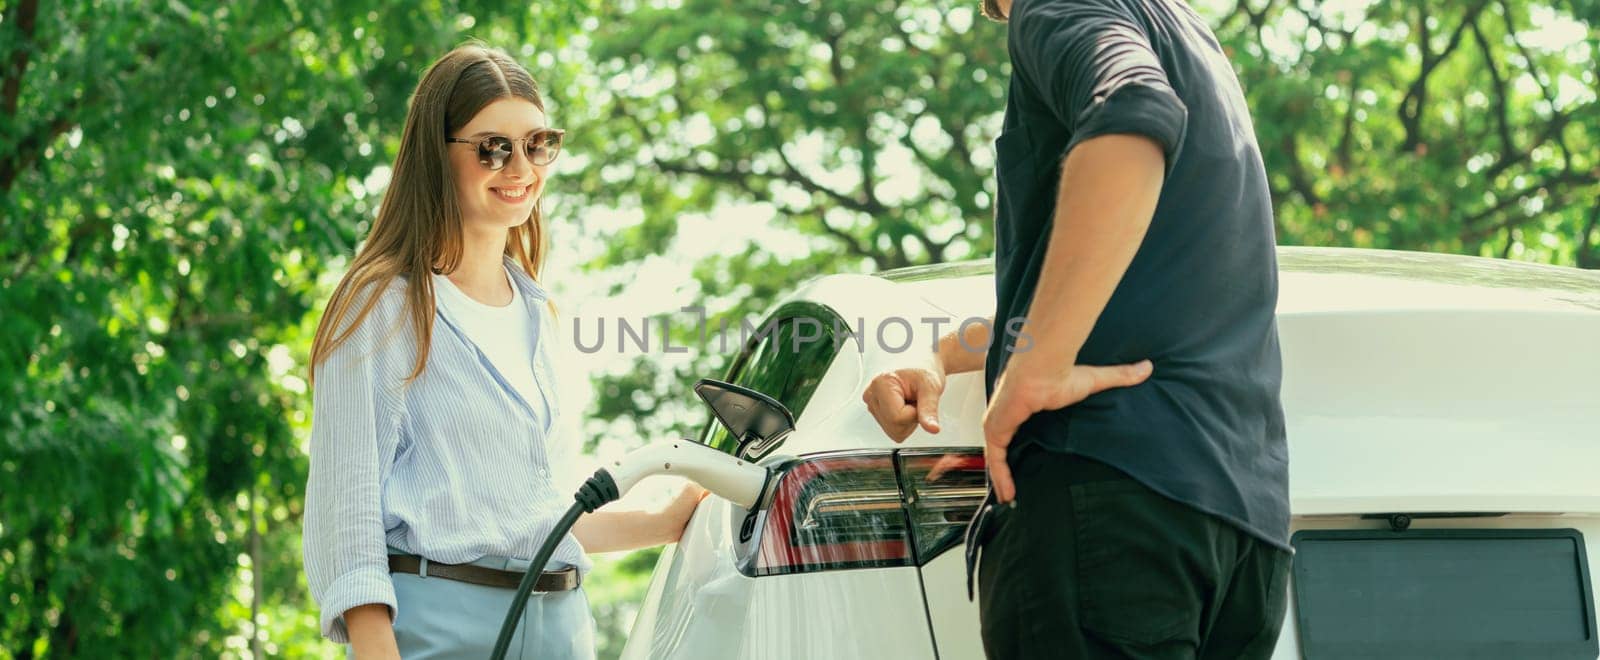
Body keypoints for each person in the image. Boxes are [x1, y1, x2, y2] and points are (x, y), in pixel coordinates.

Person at [862, 0, 1292, 657]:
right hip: (1241, 539)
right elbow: (1117, 285)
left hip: (1108, 499)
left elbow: (1133, 113)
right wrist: (936, 356)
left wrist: (1037, 370)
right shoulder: (1189, 36)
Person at [302, 44, 706, 660]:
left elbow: (530, 520)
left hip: (564, 629)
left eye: (537, 144)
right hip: (442, 630)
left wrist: (664, 520)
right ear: (436, 156)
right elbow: (346, 523)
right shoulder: (382, 305)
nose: (520, 167)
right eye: (493, 148)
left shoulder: (538, 312)